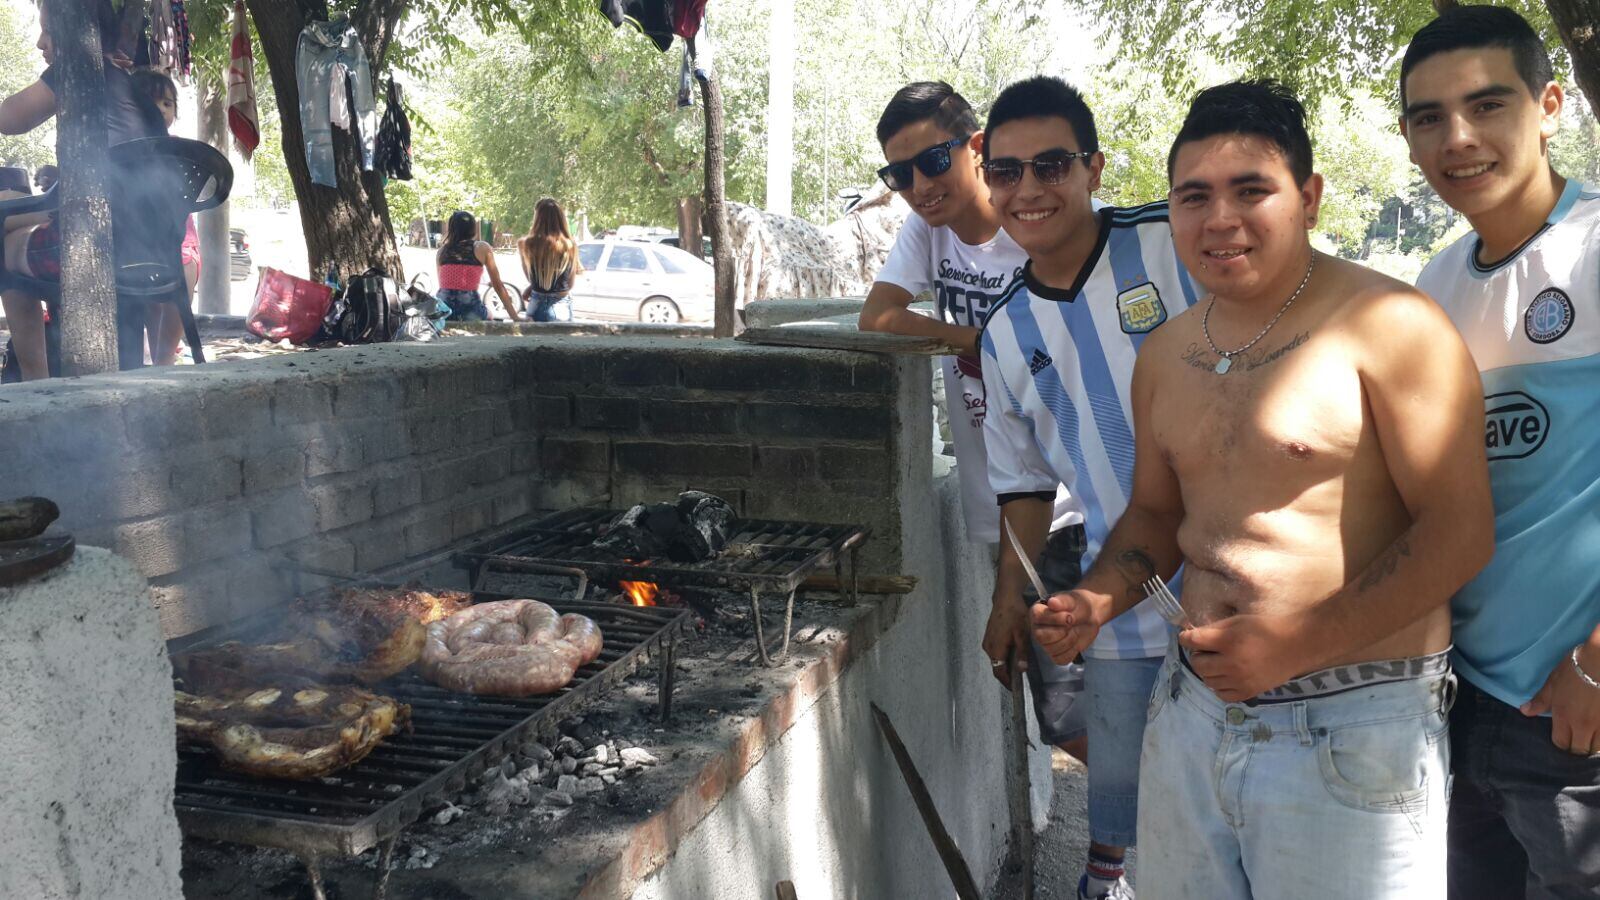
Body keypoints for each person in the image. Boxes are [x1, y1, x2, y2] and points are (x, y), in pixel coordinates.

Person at [1031, 79, 1494, 898]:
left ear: (1309, 197)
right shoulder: (1167, 354)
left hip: (1354, 726)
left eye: (1253, 191)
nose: (1220, 219)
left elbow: (1459, 532)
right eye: (1194, 196)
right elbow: (1158, 512)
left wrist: (1294, 647)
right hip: (1191, 713)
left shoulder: (1393, 326)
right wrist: (1097, 598)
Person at [855, 80, 1098, 859]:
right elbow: (878, 318)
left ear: (975, 147)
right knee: (1058, 699)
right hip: (1004, 490)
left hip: (1074, 498)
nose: (919, 186)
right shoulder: (931, 237)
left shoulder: (1035, 225)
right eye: (899, 174)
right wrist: (978, 342)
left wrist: (985, 340)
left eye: (932, 160)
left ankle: (1139, 840)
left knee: (1075, 707)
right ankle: (1125, 847)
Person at [977, 75, 1205, 900]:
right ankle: (1107, 875)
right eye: (1006, 172)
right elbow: (1024, 483)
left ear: (1094, 168)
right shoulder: (1004, 332)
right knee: (1117, 780)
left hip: (1231, 583)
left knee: (1228, 788)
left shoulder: (1172, 243)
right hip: (1120, 589)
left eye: (1051, 164)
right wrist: (1010, 597)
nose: (1028, 189)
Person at [1400, 6, 1600, 896]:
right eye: (1429, 118)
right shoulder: (1434, 286)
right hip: (1459, 701)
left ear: (1549, 104)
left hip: (1572, 712)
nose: (1460, 138)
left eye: (1488, 106)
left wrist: (1594, 664)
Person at [0, 0, 165, 381]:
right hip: (154, 249)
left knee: (3, 244)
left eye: (47, 30)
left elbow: (9, 118)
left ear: (76, 33)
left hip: (103, 243)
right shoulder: (133, 88)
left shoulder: (77, 70)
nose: (40, 43)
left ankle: (35, 382)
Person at [129, 67, 196, 366]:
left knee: (185, 274)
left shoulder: (180, 150)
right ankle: (155, 356)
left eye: (167, 103)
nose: (161, 109)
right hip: (137, 250)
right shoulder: (124, 148)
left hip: (179, 245)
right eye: (152, 101)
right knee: (150, 306)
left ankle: (165, 358)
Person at [435, 210, 515, 322]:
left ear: (451, 229)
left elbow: (445, 285)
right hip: (470, 310)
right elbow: (498, 285)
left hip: (443, 311)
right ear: (473, 228)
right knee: (490, 315)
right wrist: (515, 317)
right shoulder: (481, 248)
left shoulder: (441, 251)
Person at [518, 198, 580, 322]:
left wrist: (532, 287)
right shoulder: (570, 245)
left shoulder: (525, 244)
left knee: (535, 341)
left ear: (537, 218)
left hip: (535, 306)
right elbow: (570, 284)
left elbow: (531, 278)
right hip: (561, 308)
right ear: (561, 218)